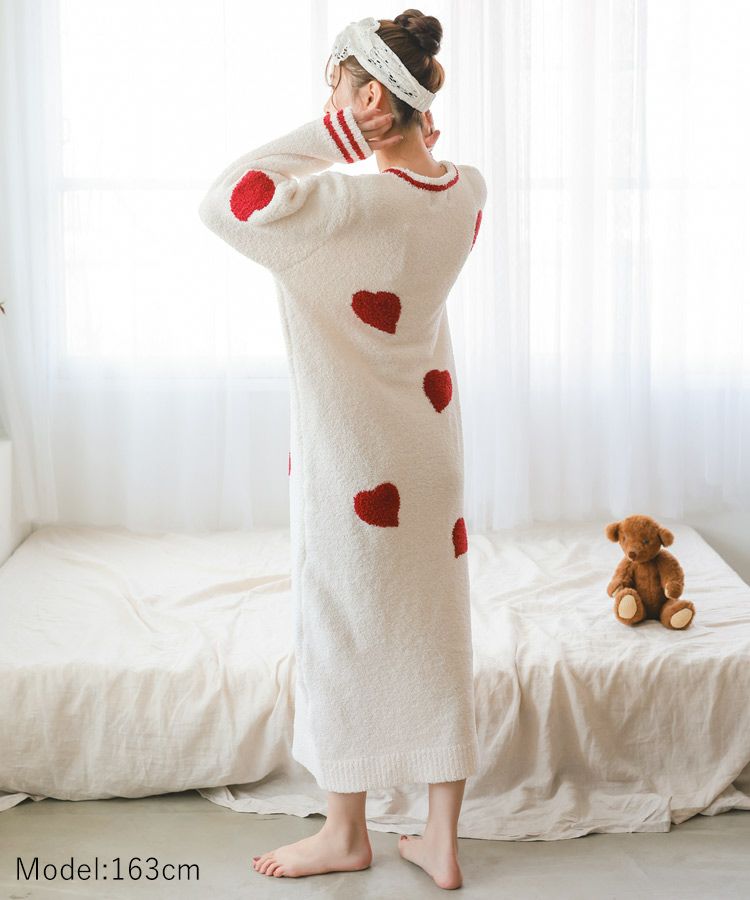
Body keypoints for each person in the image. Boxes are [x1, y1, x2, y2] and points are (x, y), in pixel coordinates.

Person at [198, 10, 486, 891]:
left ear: (368, 102)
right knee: (437, 630)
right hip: (430, 455)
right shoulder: (468, 190)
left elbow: (227, 199)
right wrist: (403, 139)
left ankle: (345, 831)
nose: (328, 109)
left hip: (351, 462)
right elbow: (421, 195)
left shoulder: (342, 206)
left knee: (343, 630)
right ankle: (441, 838)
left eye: (337, 95)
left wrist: (332, 138)